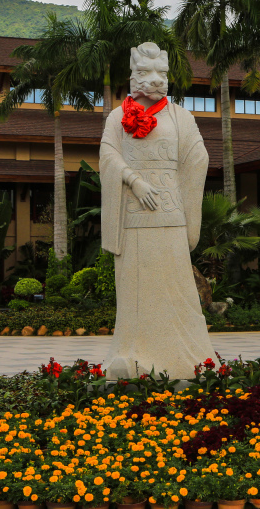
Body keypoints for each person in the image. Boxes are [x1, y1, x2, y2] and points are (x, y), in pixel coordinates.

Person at [99, 42, 214, 379]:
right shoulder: (118, 117)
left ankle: (187, 358)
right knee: (135, 290)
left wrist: (184, 169)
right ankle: (132, 354)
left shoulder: (181, 116)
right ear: (132, 75)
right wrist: (134, 181)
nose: (155, 80)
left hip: (170, 214)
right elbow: (108, 157)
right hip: (134, 216)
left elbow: (197, 157)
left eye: (161, 73)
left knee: (178, 289)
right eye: (145, 73)